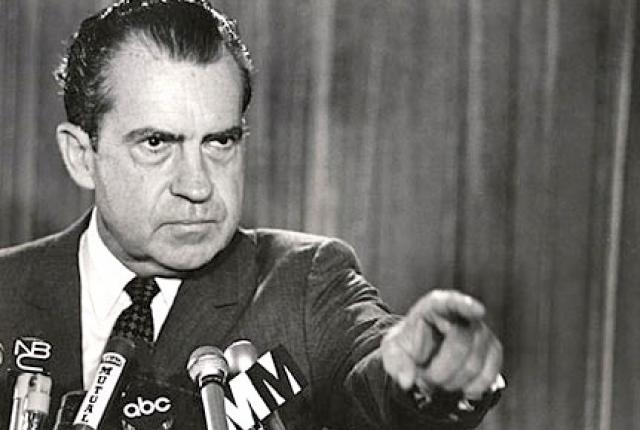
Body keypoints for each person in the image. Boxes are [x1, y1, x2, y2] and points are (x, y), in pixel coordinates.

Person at [0, 1, 504, 429]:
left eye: (219, 142)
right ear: (81, 156)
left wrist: (424, 371)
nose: (197, 186)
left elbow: (375, 372)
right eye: (156, 143)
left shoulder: (303, 285)